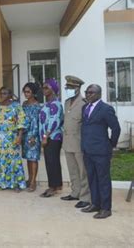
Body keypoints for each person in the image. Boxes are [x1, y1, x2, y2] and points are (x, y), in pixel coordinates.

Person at [80, 84, 120, 219]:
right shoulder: (85, 107)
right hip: (87, 150)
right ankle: (95, 204)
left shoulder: (106, 109)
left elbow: (116, 129)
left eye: (91, 92)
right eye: (86, 92)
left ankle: (106, 208)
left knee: (103, 180)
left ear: (99, 94)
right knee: (92, 178)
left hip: (101, 151)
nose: (88, 95)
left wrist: (110, 145)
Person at [61, 76, 91, 208]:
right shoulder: (67, 102)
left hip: (79, 142)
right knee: (72, 170)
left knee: (83, 171)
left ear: (78, 88)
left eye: (72, 88)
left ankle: (85, 197)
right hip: (68, 141)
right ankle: (75, 192)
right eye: (67, 87)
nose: (69, 90)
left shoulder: (84, 103)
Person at [0, 87, 27, 192]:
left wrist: (19, 136)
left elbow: (21, 121)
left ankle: (17, 184)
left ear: (10, 94)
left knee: (14, 161)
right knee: (2, 160)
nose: (2, 95)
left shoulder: (16, 106)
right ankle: (3, 182)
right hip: (1, 139)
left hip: (12, 138)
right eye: (1, 93)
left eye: (5, 93)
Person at [39, 78, 64, 198]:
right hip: (48, 137)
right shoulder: (47, 104)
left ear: (53, 90)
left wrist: (45, 137)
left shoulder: (56, 104)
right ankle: (56, 185)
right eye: (43, 87)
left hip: (53, 137)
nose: (43, 90)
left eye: (46, 88)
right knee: (51, 162)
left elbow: (54, 122)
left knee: (52, 162)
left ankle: (52, 187)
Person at [21, 82, 42, 192]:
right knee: (28, 158)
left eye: (28, 91)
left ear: (33, 92)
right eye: (25, 91)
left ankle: (33, 182)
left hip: (33, 136)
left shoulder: (37, 105)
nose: (26, 93)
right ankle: (29, 179)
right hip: (25, 134)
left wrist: (33, 136)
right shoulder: (24, 104)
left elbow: (36, 122)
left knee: (33, 158)